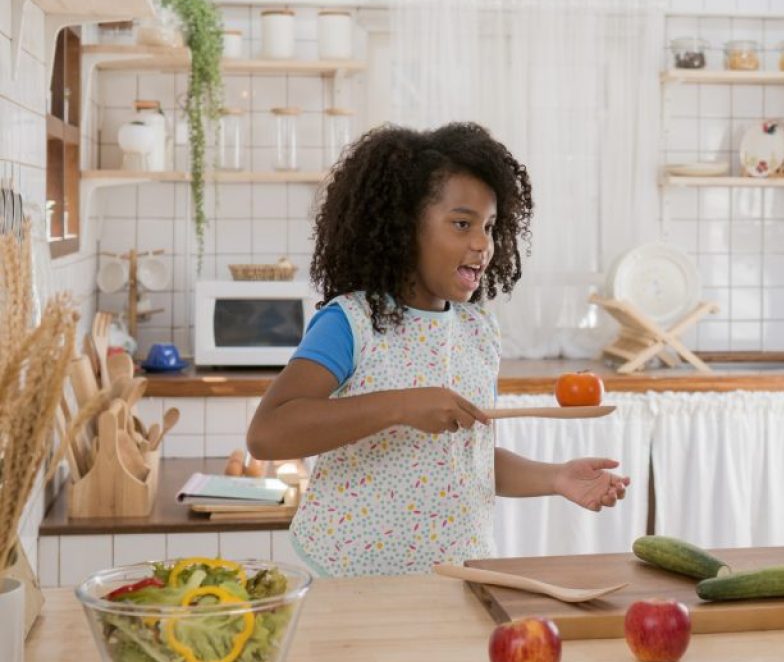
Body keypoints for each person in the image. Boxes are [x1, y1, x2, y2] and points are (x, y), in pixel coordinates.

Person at [247, 122, 629, 578]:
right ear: (404, 227)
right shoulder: (351, 322)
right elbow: (268, 433)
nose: (482, 244)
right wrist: (401, 406)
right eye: (462, 223)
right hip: (352, 578)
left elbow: (464, 460)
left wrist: (554, 477)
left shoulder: (478, 329)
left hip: (458, 572)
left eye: (489, 226)